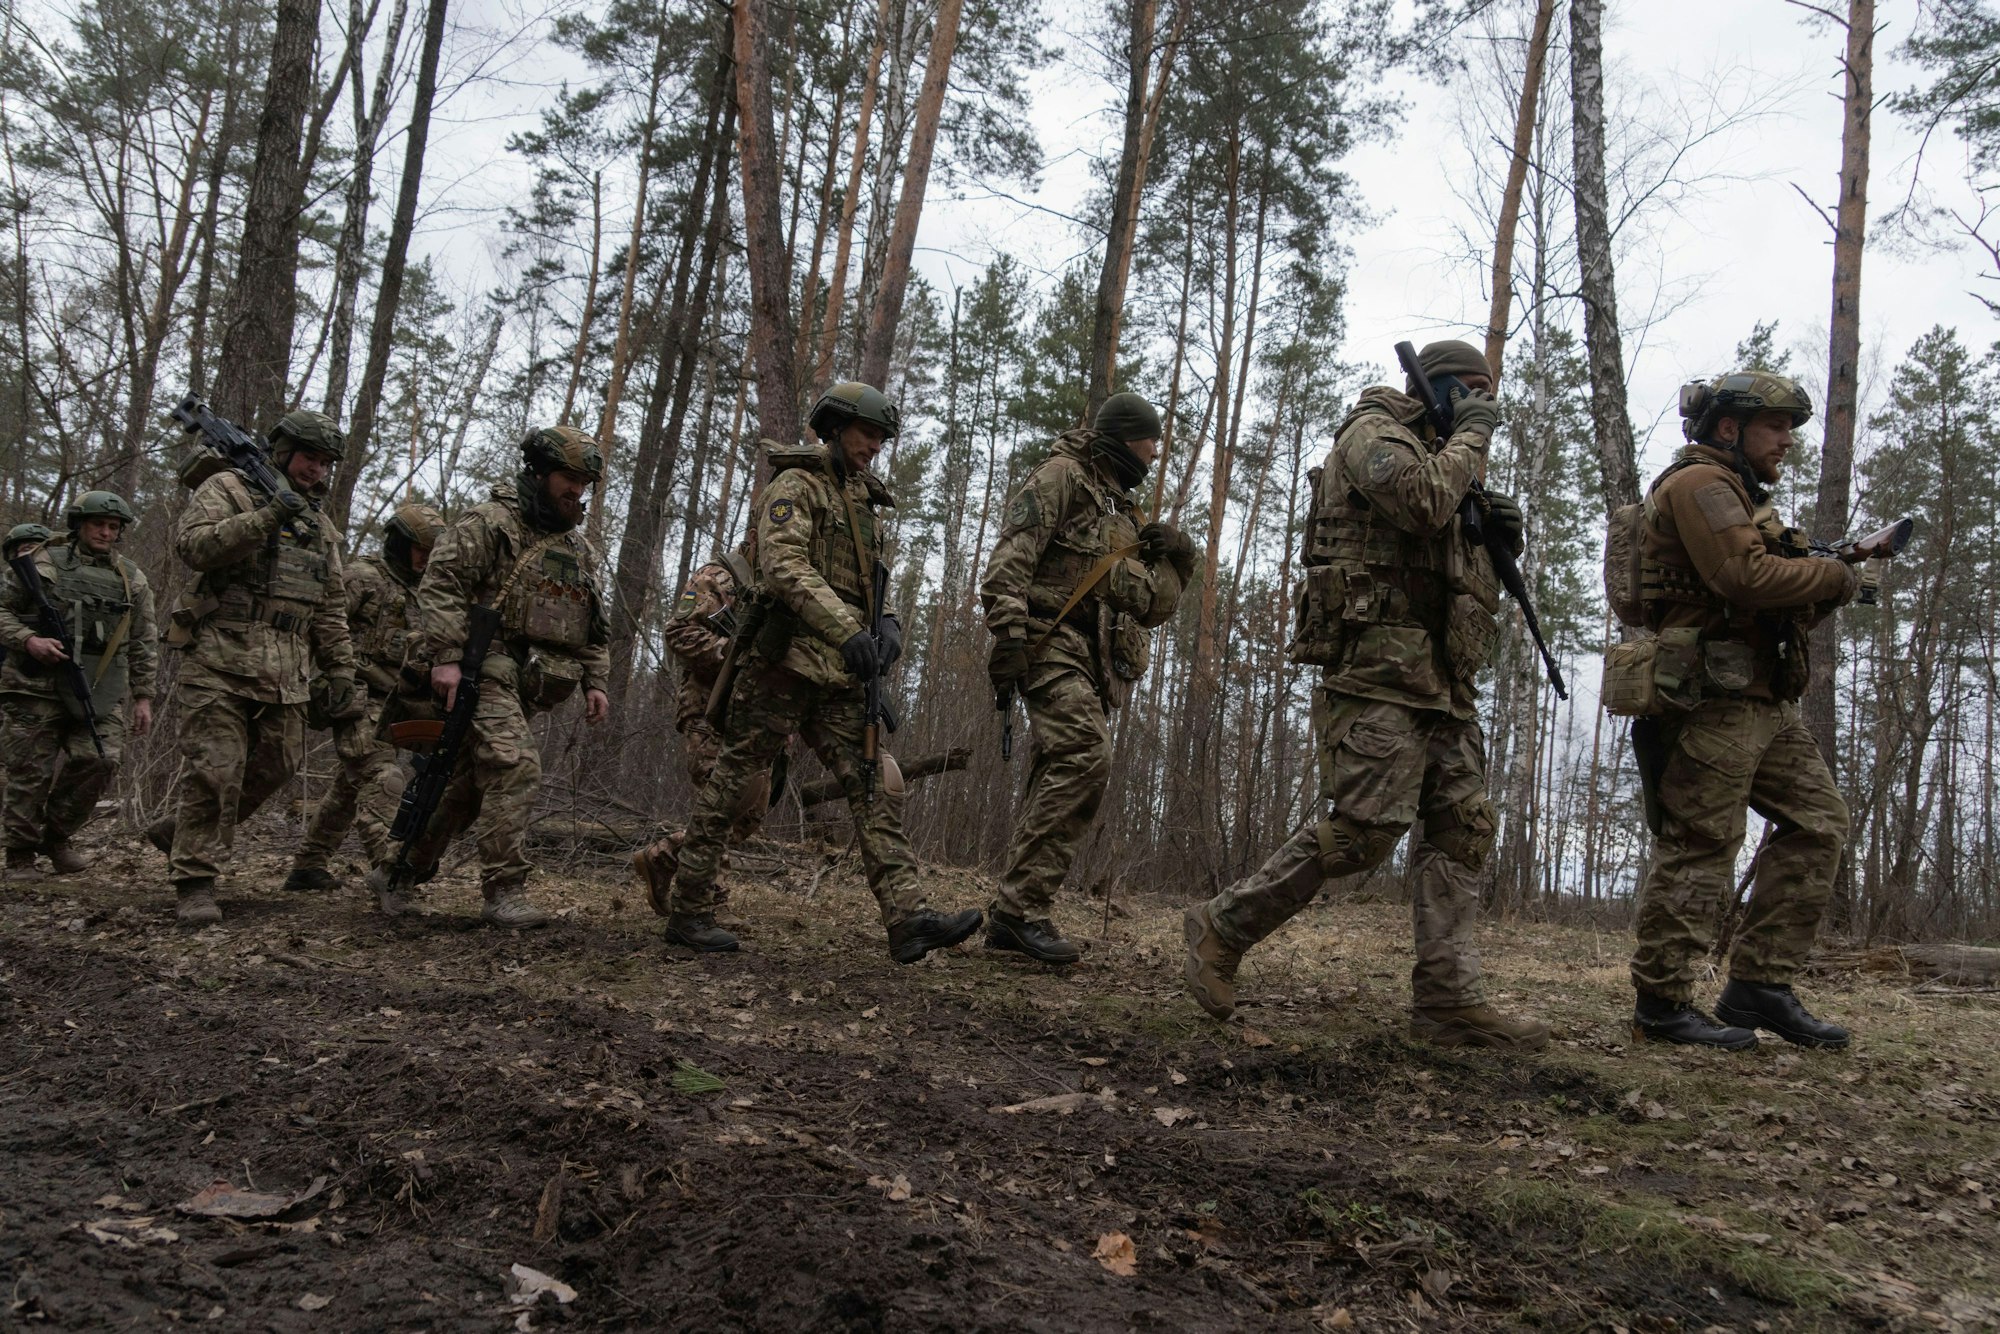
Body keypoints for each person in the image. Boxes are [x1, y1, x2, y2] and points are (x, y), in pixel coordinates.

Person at [1182, 339, 1549, 1052]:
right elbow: (1419, 503)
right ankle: (1222, 926)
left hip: (1444, 683)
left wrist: (1499, 535)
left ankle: (1448, 1000)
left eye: (1488, 393)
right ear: (1437, 388)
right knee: (1363, 834)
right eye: (1470, 390)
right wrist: (1473, 437)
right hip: (1379, 673)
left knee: (1463, 830)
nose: (1483, 404)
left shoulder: (1451, 461)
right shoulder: (1374, 435)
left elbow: (1447, 557)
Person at [660, 381, 983, 964]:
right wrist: (848, 630)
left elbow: (872, 583)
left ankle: (907, 919)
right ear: (834, 428)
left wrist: (887, 627)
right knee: (734, 783)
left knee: (871, 785)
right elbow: (784, 566)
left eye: (883, 437)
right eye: (867, 433)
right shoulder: (795, 486)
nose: (875, 446)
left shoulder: (862, 501)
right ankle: (688, 910)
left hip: (836, 675)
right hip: (780, 664)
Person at [1622, 370, 1875, 1051]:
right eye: (1777, 426)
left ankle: (1758, 986)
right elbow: (1745, 578)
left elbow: (1771, 588)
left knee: (1819, 823)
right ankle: (1663, 1003)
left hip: (1762, 698)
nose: (1788, 441)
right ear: (1729, 428)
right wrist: (1838, 573)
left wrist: (1830, 574)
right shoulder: (1700, 485)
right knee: (1702, 844)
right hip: (1710, 701)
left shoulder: (1740, 495)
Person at [365, 427, 612, 927]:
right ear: (540, 473)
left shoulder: (575, 549)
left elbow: (591, 622)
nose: (576, 491)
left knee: (466, 789)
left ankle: (399, 869)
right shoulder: (490, 522)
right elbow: (440, 583)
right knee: (515, 764)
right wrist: (448, 657)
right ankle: (505, 888)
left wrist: (596, 681)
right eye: (568, 478)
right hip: (481, 667)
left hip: (530, 681)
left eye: (584, 483)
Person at [979, 392, 1192, 963]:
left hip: (1094, 660)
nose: (1155, 450)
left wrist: (1179, 558)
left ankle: (1012, 915)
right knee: (1084, 753)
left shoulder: (1122, 510)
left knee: (1064, 765)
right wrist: (1010, 636)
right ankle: (1019, 910)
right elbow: (1009, 561)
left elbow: (1151, 607)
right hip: (1047, 642)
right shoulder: (1060, 477)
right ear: (1125, 438)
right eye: (1150, 439)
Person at [157, 411, 362, 925]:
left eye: (323, 463)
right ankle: (196, 881)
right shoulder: (229, 486)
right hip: (220, 659)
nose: (315, 470)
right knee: (215, 770)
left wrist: (340, 670)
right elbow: (194, 547)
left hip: (286, 670)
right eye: (308, 457)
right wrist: (268, 515)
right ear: (283, 449)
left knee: (279, 764)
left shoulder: (319, 524)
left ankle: (180, 830)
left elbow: (331, 605)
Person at [282, 502, 446, 893]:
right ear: (400, 543)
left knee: (350, 782)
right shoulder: (361, 577)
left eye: (432, 554)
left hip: (398, 703)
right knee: (381, 775)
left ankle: (308, 863)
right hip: (353, 694)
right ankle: (391, 870)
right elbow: (318, 627)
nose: (425, 560)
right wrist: (305, 682)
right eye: (421, 550)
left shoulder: (428, 591)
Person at [629, 532, 781, 925]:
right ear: (755, 539)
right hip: (707, 710)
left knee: (748, 812)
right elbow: (678, 632)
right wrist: (732, 651)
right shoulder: (717, 577)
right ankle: (708, 901)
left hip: (753, 718)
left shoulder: (782, 589)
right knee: (723, 800)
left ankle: (664, 856)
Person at [0, 493, 156, 873]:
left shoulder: (131, 578)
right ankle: (19, 853)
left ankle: (55, 836)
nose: (105, 532)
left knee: (101, 759)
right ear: (79, 525)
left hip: (99, 686)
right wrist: (28, 639)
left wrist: (143, 696)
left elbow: (143, 639)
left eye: (113, 527)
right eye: (98, 524)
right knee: (30, 770)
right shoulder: (40, 562)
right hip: (35, 684)